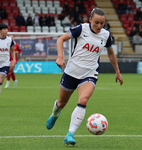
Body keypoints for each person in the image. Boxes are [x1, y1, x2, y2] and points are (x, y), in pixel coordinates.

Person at [46, 7, 123, 146]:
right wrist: (60, 57)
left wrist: (117, 71)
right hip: (71, 72)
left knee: (84, 100)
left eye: (102, 23)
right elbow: (61, 39)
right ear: (90, 20)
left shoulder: (106, 35)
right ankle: (55, 114)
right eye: (96, 23)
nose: (99, 26)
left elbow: (111, 53)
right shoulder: (81, 29)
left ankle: (70, 134)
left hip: (90, 74)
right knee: (62, 103)